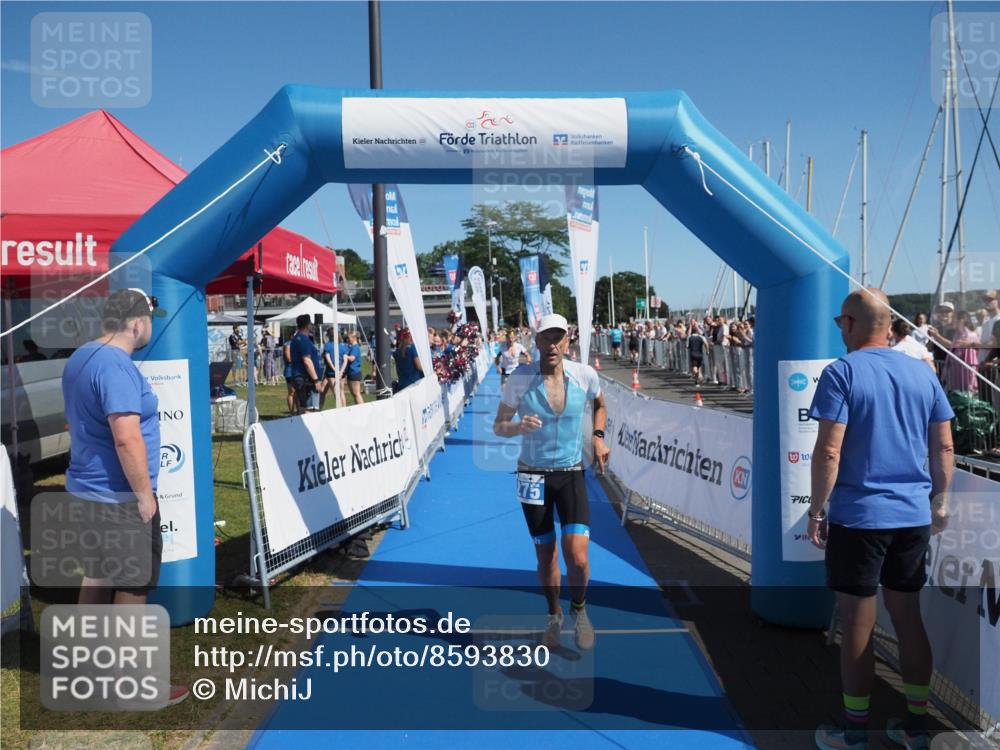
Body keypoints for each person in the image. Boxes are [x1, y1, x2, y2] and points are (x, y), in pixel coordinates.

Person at [807, 288, 954, 750]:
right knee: (908, 618)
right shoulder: (922, 372)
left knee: (857, 623)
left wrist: (815, 509)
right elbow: (944, 447)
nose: (840, 330)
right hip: (912, 516)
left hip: (860, 518)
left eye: (840, 323)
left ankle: (855, 732)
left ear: (851, 324)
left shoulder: (842, 372)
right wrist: (940, 501)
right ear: (889, 326)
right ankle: (916, 727)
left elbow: (829, 451)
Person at [61, 288, 188, 707]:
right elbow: (126, 437)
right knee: (132, 586)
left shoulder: (83, 356)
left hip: (87, 489)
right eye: (150, 319)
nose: (150, 327)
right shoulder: (116, 365)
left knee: (97, 576)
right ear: (136, 322)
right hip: (118, 496)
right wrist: (144, 495)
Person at [492, 313, 610, 652]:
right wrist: (518, 427)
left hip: (571, 472)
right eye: (546, 338)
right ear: (537, 341)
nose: (553, 344)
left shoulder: (584, 374)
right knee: (546, 557)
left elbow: (601, 404)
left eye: (559, 337)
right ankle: (554, 613)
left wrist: (598, 437)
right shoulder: (521, 378)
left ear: (567, 340)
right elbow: (499, 425)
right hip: (532, 475)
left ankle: (579, 609)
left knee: (578, 556)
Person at [289, 314, 323, 412]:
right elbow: (307, 361)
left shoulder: (297, 338)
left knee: (305, 408)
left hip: (303, 377)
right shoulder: (303, 340)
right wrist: (316, 380)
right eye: (310, 324)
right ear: (307, 325)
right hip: (306, 379)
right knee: (309, 410)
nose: (312, 326)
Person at [342, 331, 364, 405]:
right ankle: (358, 408)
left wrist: (346, 356)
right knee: (354, 394)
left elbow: (352, 358)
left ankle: (362, 409)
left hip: (354, 372)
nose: (347, 339)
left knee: (356, 394)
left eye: (349, 338)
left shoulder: (355, 347)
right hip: (351, 372)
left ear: (354, 338)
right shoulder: (352, 347)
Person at [320, 327, 339, 410]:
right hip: (329, 372)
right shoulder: (339, 344)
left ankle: (342, 410)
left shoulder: (328, 345)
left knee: (336, 393)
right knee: (322, 391)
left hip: (331, 372)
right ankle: (319, 409)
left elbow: (324, 356)